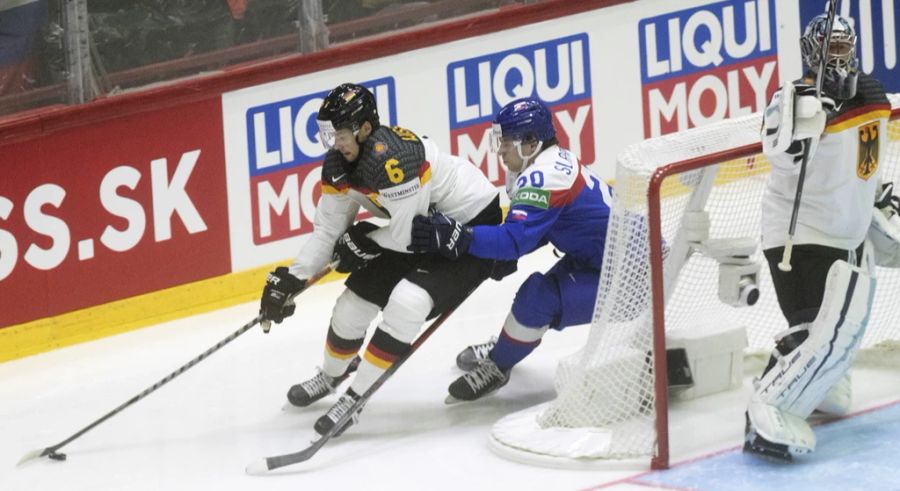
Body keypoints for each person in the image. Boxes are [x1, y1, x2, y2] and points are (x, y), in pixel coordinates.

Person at [258, 83, 504, 436]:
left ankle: (356, 398)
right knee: (351, 305)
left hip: (468, 229)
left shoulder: (396, 161)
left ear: (365, 129)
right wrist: (292, 279)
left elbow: (405, 238)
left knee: (407, 303)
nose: (333, 143)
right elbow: (329, 231)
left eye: (338, 134)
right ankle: (332, 375)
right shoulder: (339, 165)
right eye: (327, 134)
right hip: (419, 229)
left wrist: (366, 238)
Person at [745, 12, 891, 461]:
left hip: (847, 234)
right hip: (799, 238)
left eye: (844, 48)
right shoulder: (795, 97)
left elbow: (866, 161)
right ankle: (763, 408)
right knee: (820, 334)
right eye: (831, 50)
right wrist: (804, 124)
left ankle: (790, 365)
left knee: (835, 393)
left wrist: (878, 199)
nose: (838, 57)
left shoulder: (872, 95)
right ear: (812, 53)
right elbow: (779, 154)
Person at [408, 97, 613, 402]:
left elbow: (514, 240)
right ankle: (506, 345)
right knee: (537, 295)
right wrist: (502, 249)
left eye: (506, 142)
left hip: (632, 273)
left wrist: (459, 236)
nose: (500, 150)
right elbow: (546, 226)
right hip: (602, 256)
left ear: (531, 142)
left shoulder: (545, 177)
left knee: (537, 298)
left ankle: (498, 364)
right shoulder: (544, 163)